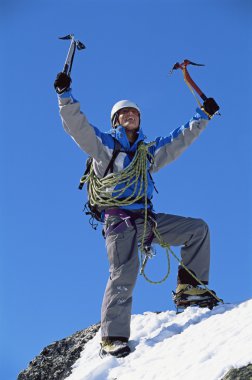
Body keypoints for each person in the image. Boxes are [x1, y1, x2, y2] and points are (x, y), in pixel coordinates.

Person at [54, 72, 220, 358]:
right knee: (124, 274)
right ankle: (112, 337)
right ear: (115, 120)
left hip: (147, 220)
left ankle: (190, 288)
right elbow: (77, 127)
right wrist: (64, 96)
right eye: (124, 113)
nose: (130, 115)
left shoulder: (147, 153)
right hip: (119, 223)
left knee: (197, 229)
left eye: (134, 112)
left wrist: (202, 115)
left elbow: (178, 140)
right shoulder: (104, 147)